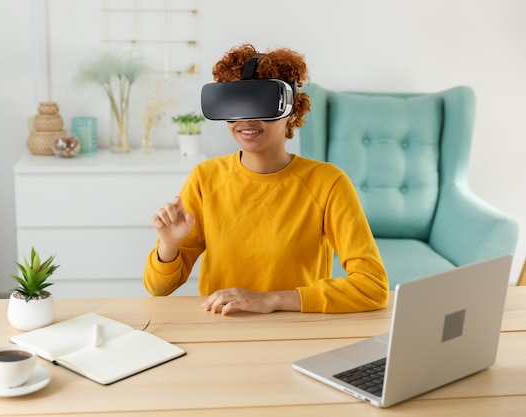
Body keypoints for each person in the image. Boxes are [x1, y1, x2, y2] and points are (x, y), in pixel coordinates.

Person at [144, 43, 388, 315]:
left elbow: (373, 286)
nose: (247, 120)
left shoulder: (328, 183)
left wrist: (272, 300)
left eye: (262, 105)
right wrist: (170, 244)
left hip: (297, 329)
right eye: (237, 105)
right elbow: (158, 288)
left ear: (292, 111)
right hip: (224, 329)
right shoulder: (205, 179)